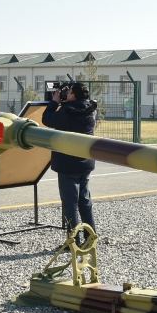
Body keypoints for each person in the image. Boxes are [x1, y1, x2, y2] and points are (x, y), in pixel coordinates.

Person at [42, 82, 98, 238]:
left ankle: (73, 242)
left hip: (67, 163)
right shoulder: (91, 109)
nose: (65, 94)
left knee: (70, 204)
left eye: (68, 92)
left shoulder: (68, 111)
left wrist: (54, 102)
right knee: (84, 200)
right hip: (86, 161)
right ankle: (90, 236)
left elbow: (47, 119)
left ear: (73, 94)